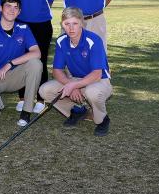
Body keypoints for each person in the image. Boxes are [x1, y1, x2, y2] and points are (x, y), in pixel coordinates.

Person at [39, 7, 113, 136]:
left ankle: (102, 119)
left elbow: (96, 74)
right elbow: (57, 71)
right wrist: (71, 85)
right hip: (75, 79)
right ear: (62, 25)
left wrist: (73, 85)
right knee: (44, 90)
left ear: (82, 23)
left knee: (92, 92)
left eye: (75, 23)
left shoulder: (93, 40)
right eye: (67, 24)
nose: (71, 28)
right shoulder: (62, 41)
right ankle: (78, 110)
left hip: (98, 80)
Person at [8, 0, 56, 114]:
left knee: (40, 61)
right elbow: (12, 0)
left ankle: (41, 99)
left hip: (42, 25)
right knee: (22, 61)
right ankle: (22, 98)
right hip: (21, 26)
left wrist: (38, 13)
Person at [0, 0, 42, 127]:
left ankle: (26, 111)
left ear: (19, 12)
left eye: (16, 7)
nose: (12, 10)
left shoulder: (24, 29)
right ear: (0, 8)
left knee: (36, 64)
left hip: (15, 75)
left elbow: (37, 52)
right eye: (8, 6)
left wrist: (10, 63)